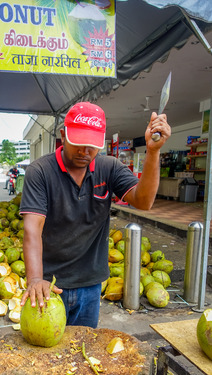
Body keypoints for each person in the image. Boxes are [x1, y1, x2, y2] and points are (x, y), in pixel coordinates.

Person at [20, 101, 171, 328]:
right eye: (78, 143)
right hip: (49, 284)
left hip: (91, 284)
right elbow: (33, 228)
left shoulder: (109, 168)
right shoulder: (40, 171)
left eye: (91, 145)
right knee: (47, 354)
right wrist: (34, 279)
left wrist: (153, 151)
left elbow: (143, 201)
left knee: (82, 350)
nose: (85, 151)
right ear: (63, 135)